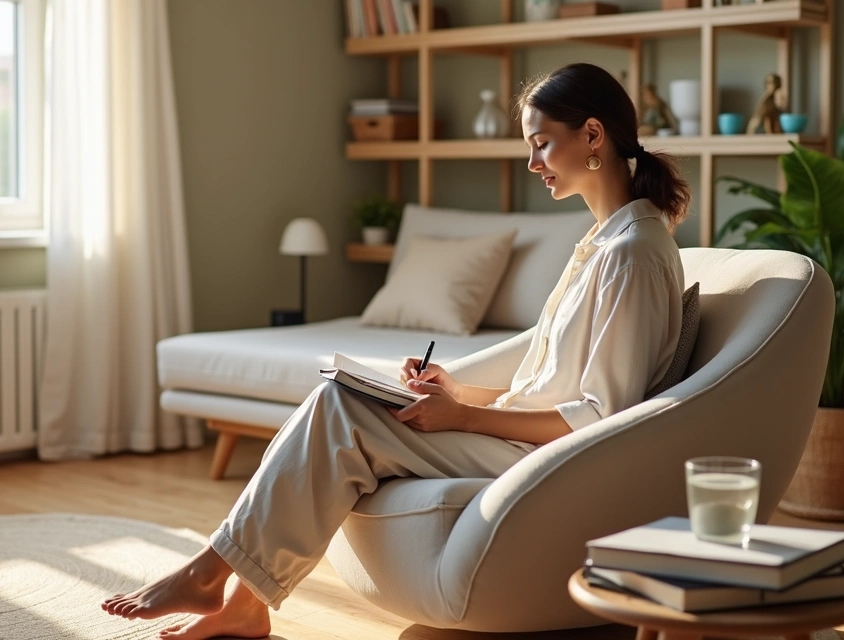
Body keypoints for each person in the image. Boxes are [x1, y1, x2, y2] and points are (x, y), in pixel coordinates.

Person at [101, 62, 691, 640]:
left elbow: (601, 416)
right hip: (519, 440)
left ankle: (214, 575)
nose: (532, 163)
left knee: (340, 407)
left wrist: (464, 417)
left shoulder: (633, 253)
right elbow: (550, 379)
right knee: (339, 397)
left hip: (550, 462)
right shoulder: (603, 242)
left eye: (541, 144)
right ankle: (241, 600)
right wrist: (455, 391)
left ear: (592, 135)